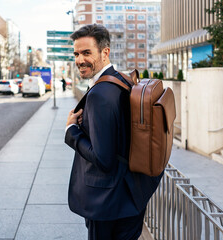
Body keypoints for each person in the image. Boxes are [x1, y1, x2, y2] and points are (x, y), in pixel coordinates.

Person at [64, 24, 163, 240]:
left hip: (107, 204)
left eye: (87, 52)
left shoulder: (101, 93)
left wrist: (72, 132)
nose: (80, 60)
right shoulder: (121, 80)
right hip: (130, 197)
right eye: (77, 54)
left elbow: (104, 159)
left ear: (105, 52)